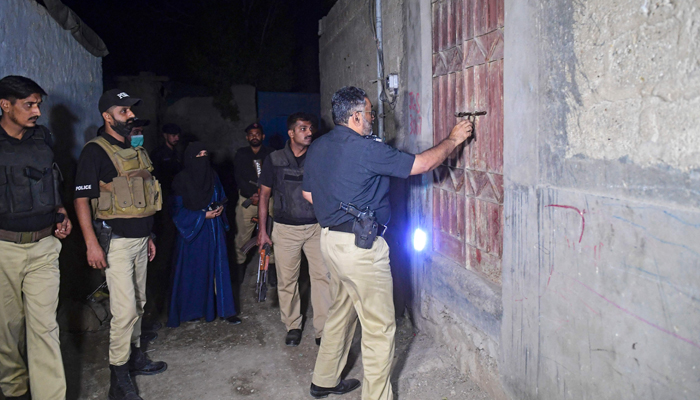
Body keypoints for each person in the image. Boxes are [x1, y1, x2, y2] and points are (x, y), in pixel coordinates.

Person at [302, 86, 473, 399]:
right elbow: (420, 165)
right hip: (362, 249)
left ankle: (324, 379)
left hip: (330, 242)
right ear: (354, 116)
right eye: (368, 113)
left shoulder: (318, 146)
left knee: (341, 309)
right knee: (380, 329)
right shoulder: (367, 149)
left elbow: (308, 195)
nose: (372, 118)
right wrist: (453, 139)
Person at [74, 89, 167, 400]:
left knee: (139, 304)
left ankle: (135, 356)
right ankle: (118, 378)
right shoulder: (95, 151)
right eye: (123, 110)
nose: (129, 115)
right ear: (107, 116)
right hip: (115, 243)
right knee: (124, 311)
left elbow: (144, 198)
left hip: (141, 239)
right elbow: (82, 199)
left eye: (130, 110)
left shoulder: (136, 149)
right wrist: (91, 244)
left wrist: (150, 235)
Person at [0, 76, 72, 400]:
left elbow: (51, 183)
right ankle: (14, 393)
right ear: (5, 105)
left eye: (38, 104)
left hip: (44, 247)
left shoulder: (43, 139)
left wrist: (61, 211)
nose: (37, 111)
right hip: (5, 251)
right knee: (8, 334)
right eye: (29, 104)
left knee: (45, 330)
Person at [257, 113, 332, 347]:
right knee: (287, 280)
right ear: (291, 133)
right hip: (285, 229)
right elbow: (264, 195)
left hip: (315, 227)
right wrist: (262, 231)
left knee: (322, 278)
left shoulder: (319, 157)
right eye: (303, 128)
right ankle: (293, 325)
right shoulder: (274, 159)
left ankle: (323, 329)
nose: (309, 132)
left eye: (310, 128)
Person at [167, 142, 241, 327]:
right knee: (196, 271)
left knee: (220, 268)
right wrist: (201, 216)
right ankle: (194, 310)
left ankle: (226, 311)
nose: (202, 159)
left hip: (214, 229)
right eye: (198, 155)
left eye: (204, 154)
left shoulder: (213, 175)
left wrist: (220, 208)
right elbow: (176, 210)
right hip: (194, 232)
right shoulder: (181, 180)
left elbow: (221, 196)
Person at [146, 122, 182, 326]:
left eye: (177, 134)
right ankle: (158, 301)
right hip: (162, 207)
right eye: (172, 134)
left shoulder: (177, 154)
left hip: (175, 204)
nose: (176, 137)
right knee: (163, 253)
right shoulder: (158, 154)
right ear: (164, 135)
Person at [232, 122, 275, 280]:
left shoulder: (271, 153)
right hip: (248, 201)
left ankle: (271, 271)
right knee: (242, 237)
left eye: (257, 134)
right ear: (247, 137)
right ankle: (239, 270)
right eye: (251, 134)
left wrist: (263, 196)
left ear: (263, 136)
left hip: (268, 200)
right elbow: (238, 177)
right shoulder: (241, 154)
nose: (254, 137)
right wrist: (254, 195)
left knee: (272, 235)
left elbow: (275, 177)